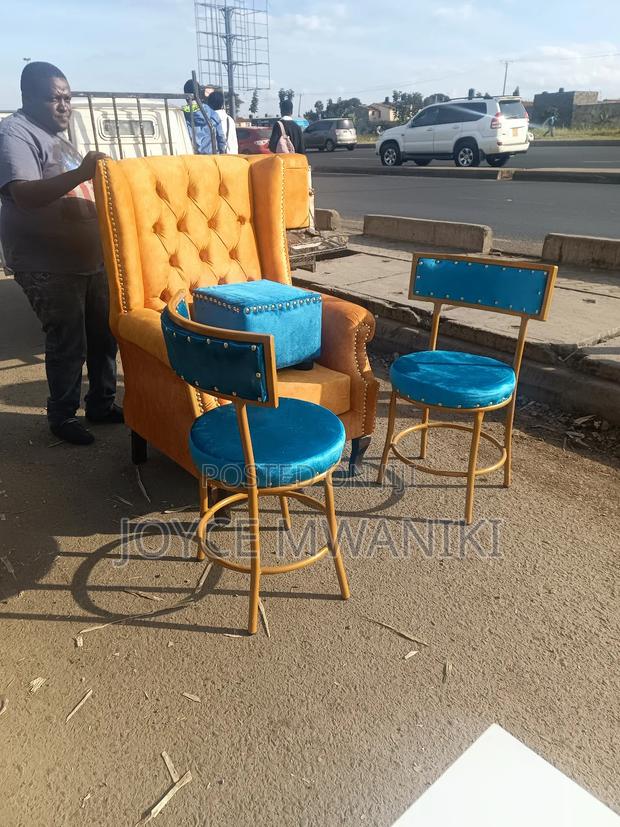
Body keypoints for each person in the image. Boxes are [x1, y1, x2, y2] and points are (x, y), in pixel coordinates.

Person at [0, 61, 121, 446]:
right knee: (69, 339)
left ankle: (102, 403)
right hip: (47, 261)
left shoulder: (58, 137)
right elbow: (23, 193)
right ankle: (62, 416)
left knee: (104, 334)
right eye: (55, 98)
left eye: (68, 98)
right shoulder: (15, 133)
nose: (64, 105)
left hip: (88, 257)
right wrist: (84, 172)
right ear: (28, 98)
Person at [182, 80, 226, 155]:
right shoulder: (212, 113)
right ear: (199, 93)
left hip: (191, 159)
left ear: (185, 95)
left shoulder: (182, 114)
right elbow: (221, 137)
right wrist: (222, 152)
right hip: (212, 157)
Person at [206, 89, 238, 154]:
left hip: (216, 159)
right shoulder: (229, 119)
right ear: (222, 103)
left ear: (209, 104)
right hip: (232, 157)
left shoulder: (208, 120)